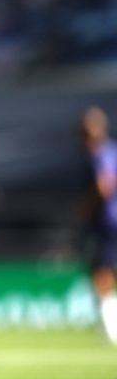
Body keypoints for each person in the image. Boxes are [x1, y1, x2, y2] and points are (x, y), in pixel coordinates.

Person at [79, 105, 117, 343]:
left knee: (101, 269)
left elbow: (104, 184)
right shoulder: (112, 150)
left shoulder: (100, 152)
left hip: (107, 221)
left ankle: (108, 322)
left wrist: (87, 207)